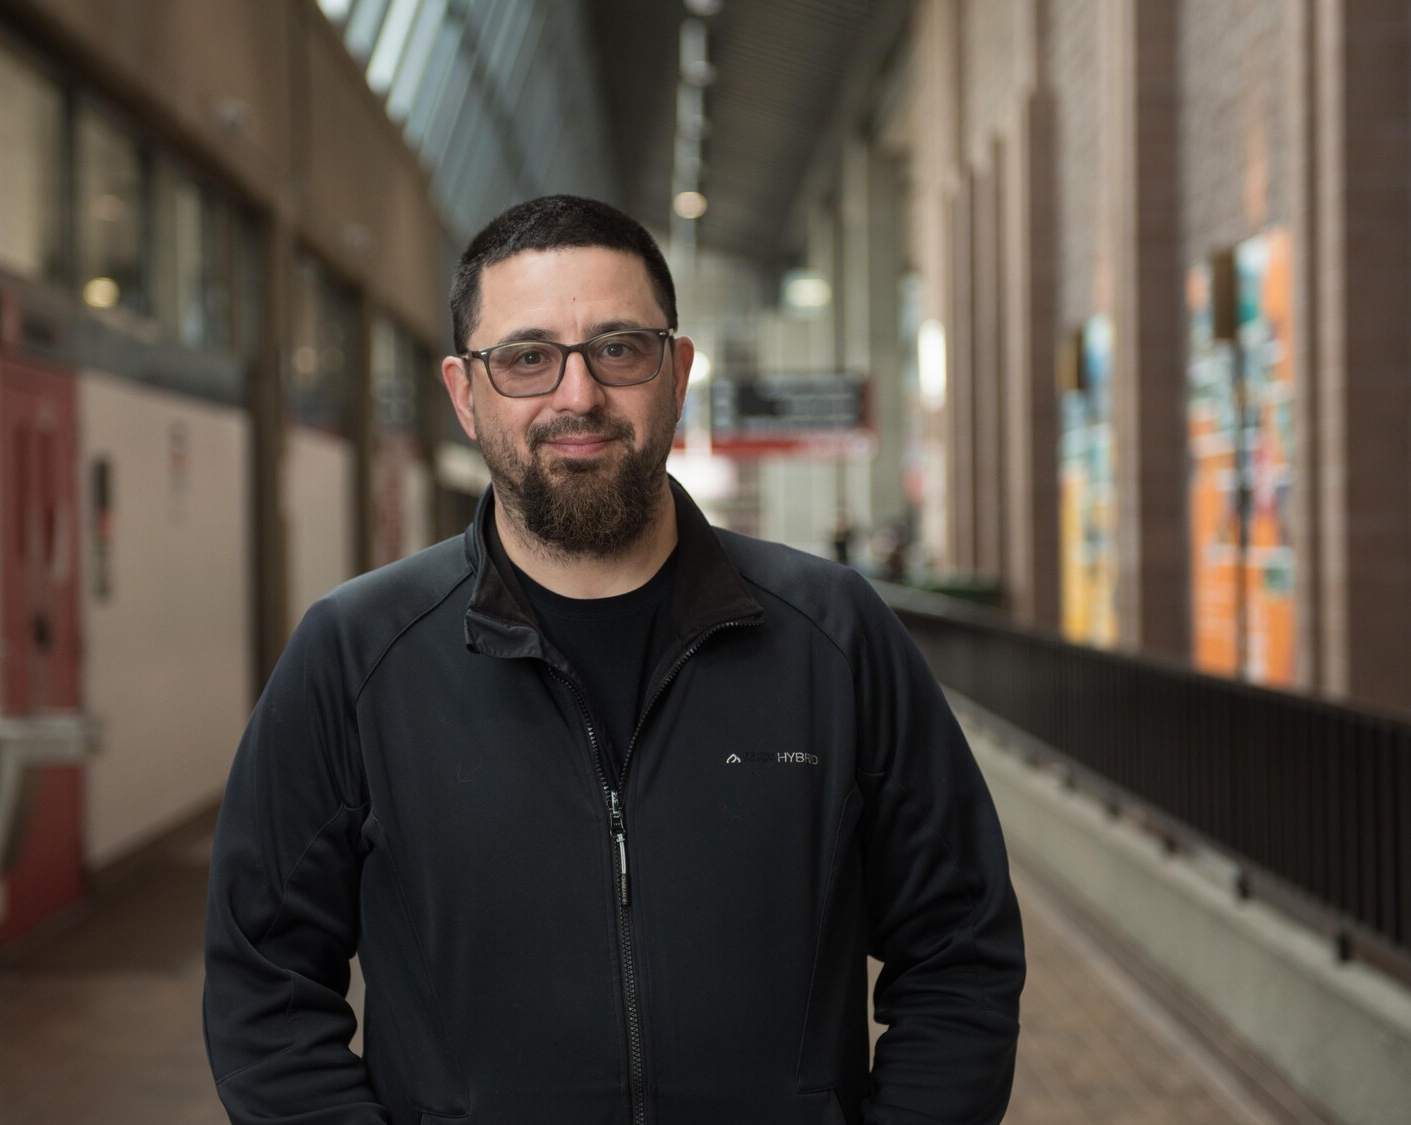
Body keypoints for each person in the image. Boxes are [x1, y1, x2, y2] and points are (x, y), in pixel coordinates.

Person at [204, 195, 1023, 1125]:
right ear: (465, 396)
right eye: (526, 358)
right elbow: (264, 985)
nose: (578, 395)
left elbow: (960, 947)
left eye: (619, 349)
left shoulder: (833, 637)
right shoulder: (355, 657)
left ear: (676, 371)